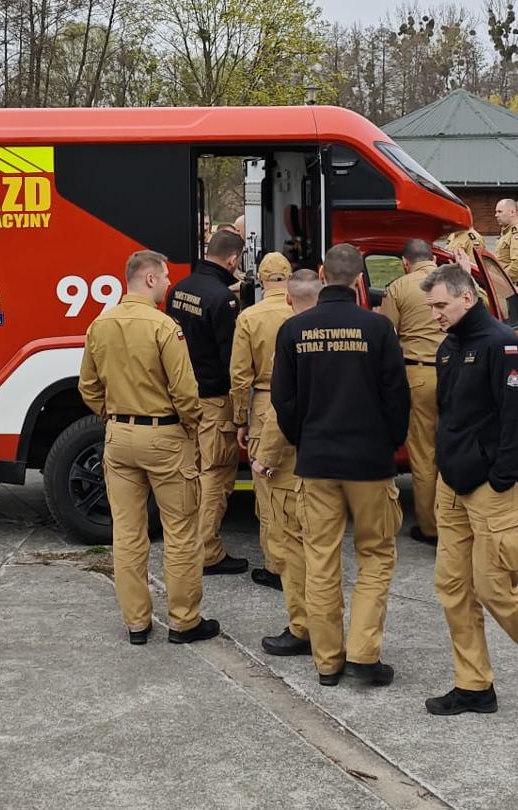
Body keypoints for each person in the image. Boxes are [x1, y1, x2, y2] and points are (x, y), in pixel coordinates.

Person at [419, 261, 518, 716]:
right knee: (453, 587)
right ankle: (473, 686)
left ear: (467, 297)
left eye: (441, 305)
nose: (435, 315)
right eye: (431, 307)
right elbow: (450, 415)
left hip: (493, 489)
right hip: (453, 485)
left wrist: (501, 477)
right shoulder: (450, 348)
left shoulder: (503, 346)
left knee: (494, 588)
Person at [272, 244, 408, 687]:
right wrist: (389, 443)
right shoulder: (379, 327)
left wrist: (302, 439)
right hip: (369, 463)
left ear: (322, 273)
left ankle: (326, 661)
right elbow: (396, 396)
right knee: (375, 555)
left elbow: (283, 400)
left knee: (320, 558)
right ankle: (364, 655)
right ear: (359, 280)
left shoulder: (294, 329)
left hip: (316, 461)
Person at [79, 250, 220, 646]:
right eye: (165, 276)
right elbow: (185, 391)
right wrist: (191, 429)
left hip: (118, 437)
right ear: (150, 279)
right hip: (165, 437)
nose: (169, 283)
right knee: (180, 532)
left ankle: (137, 623)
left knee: (126, 533)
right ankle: (184, 621)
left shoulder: (100, 324)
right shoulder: (164, 327)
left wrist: (112, 415)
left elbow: (87, 386)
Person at [230, 254, 310, 652]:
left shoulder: (249, 317)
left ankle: (277, 565)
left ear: (261, 280)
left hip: (265, 405)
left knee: (270, 491)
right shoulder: (302, 311)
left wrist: (238, 418)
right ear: (291, 278)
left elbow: (240, 374)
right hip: (307, 409)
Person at [165, 229, 250, 576]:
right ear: (232, 260)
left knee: (193, 474)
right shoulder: (223, 300)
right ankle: (207, 552)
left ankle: (187, 544)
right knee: (216, 476)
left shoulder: (179, 289)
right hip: (215, 400)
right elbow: (232, 357)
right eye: (239, 261)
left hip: (186, 397)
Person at [381, 239, 448, 546]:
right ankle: (458, 521)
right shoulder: (454, 281)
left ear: (406, 263)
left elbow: (385, 335)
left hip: (418, 375)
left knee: (423, 456)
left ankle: (431, 527)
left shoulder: (399, 287)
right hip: (456, 373)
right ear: (433, 257)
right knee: (455, 448)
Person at [490, 199, 518, 277]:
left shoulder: (517, 233)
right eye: (496, 212)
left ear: (512, 212)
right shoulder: (506, 232)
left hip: (513, 284)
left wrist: (502, 278)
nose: (496, 215)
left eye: (500, 212)